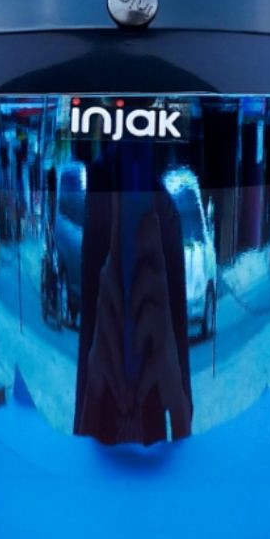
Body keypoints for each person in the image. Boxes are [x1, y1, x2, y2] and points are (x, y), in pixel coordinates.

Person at [73, 154, 192, 445]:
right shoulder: (102, 204)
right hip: (143, 442)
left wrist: (176, 393)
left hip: (143, 433)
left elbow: (183, 402)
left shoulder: (159, 209)